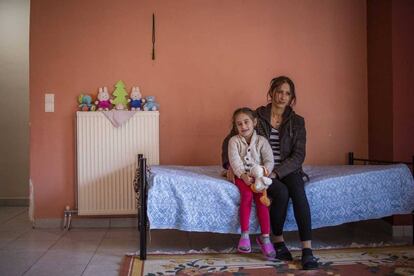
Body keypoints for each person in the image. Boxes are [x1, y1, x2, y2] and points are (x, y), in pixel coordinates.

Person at [222, 76, 319, 270]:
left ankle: (307, 250)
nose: (283, 96)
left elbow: (298, 155)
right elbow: (230, 140)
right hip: (258, 169)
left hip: (287, 169)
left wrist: (275, 173)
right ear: (272, 93)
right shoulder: (258, 115)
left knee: (299, 193)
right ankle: (278, 240)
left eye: (287, 93)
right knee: (281, 193)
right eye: (279, 91)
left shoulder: (297, 122)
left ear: (292, 97)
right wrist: (229, 166)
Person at [228, 107, 275, 259]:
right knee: (247, 195)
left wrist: (263, 172)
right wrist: (242, 175)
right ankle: (245, 235)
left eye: (246, 122)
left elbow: (269, 160)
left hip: (258, 177)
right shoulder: (234, 141)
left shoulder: (262, 141)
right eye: (239, 124)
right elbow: (234, 161)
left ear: (254, 122)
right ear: (236, 126)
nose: (243, 126)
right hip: (242, 176)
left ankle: (265, 237)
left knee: (262, 201)